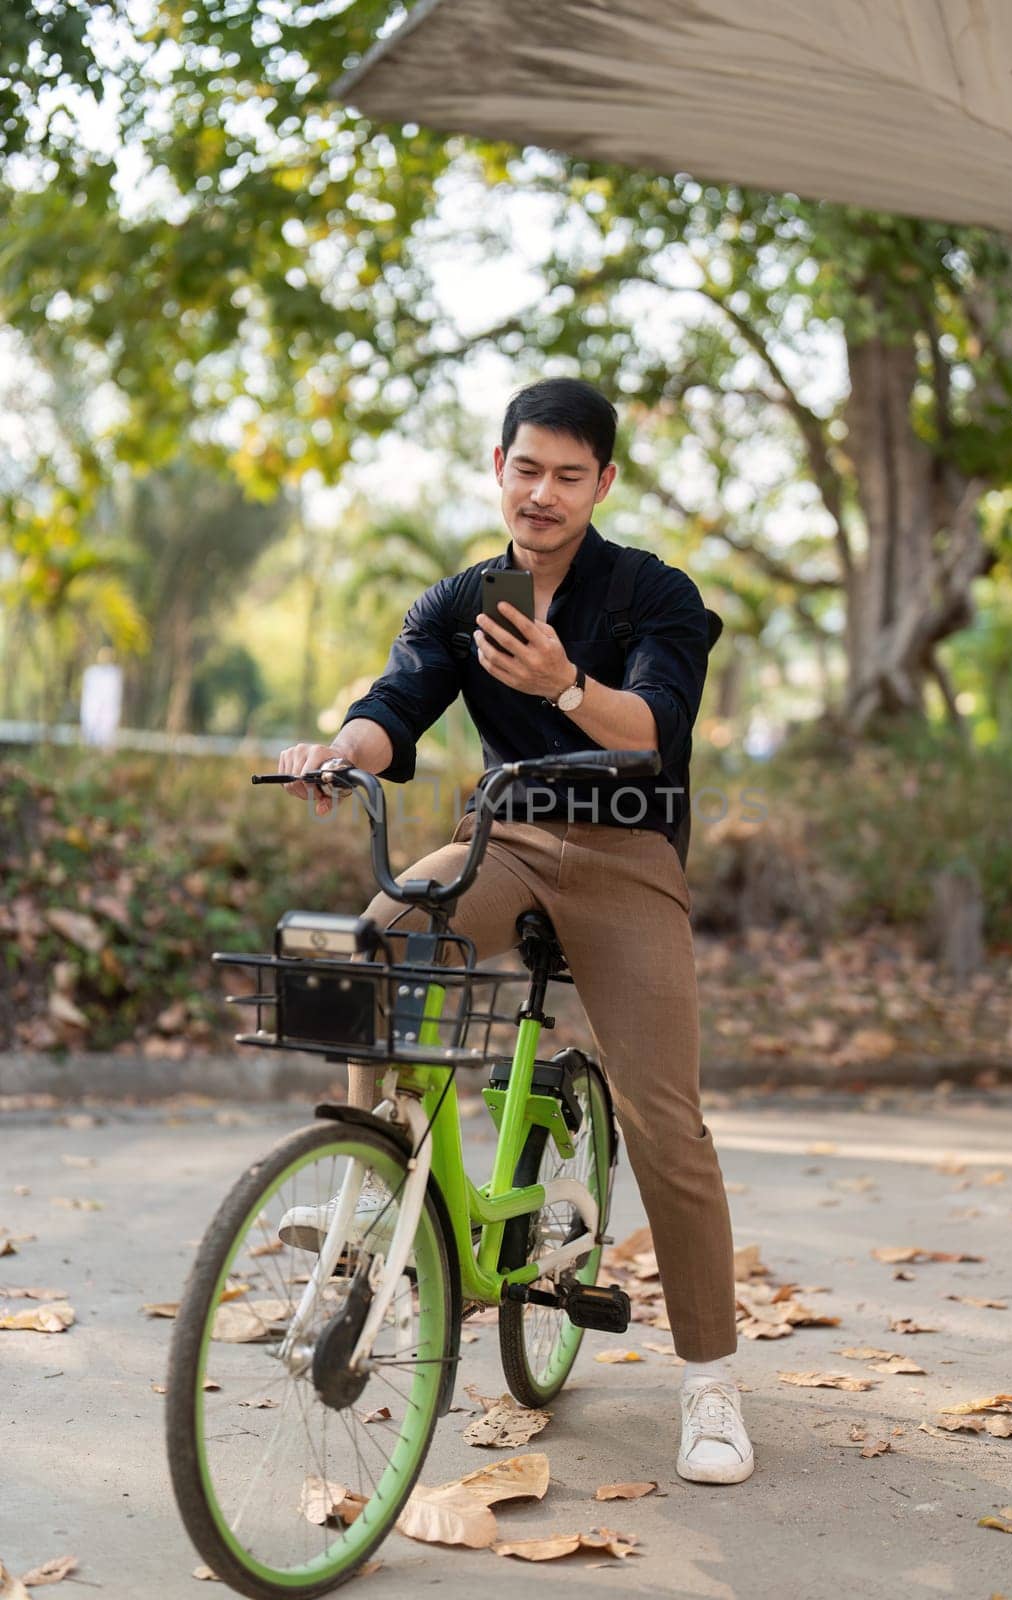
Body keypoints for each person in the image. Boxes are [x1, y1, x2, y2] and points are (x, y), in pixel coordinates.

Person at [277, 377, 753, 1486]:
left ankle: (711, 1384)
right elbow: (394, 705)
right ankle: (365, 1213)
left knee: (666, 1119)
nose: (541, 493)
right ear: (497, 467)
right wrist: (339, 750)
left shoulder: (652, 594)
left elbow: (653, 728)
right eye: (525, 468)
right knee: (372, 941)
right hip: (506, 838)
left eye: (567, 475)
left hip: (628, 860)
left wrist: (565, 683)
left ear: (603, 484)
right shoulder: (459, 601)